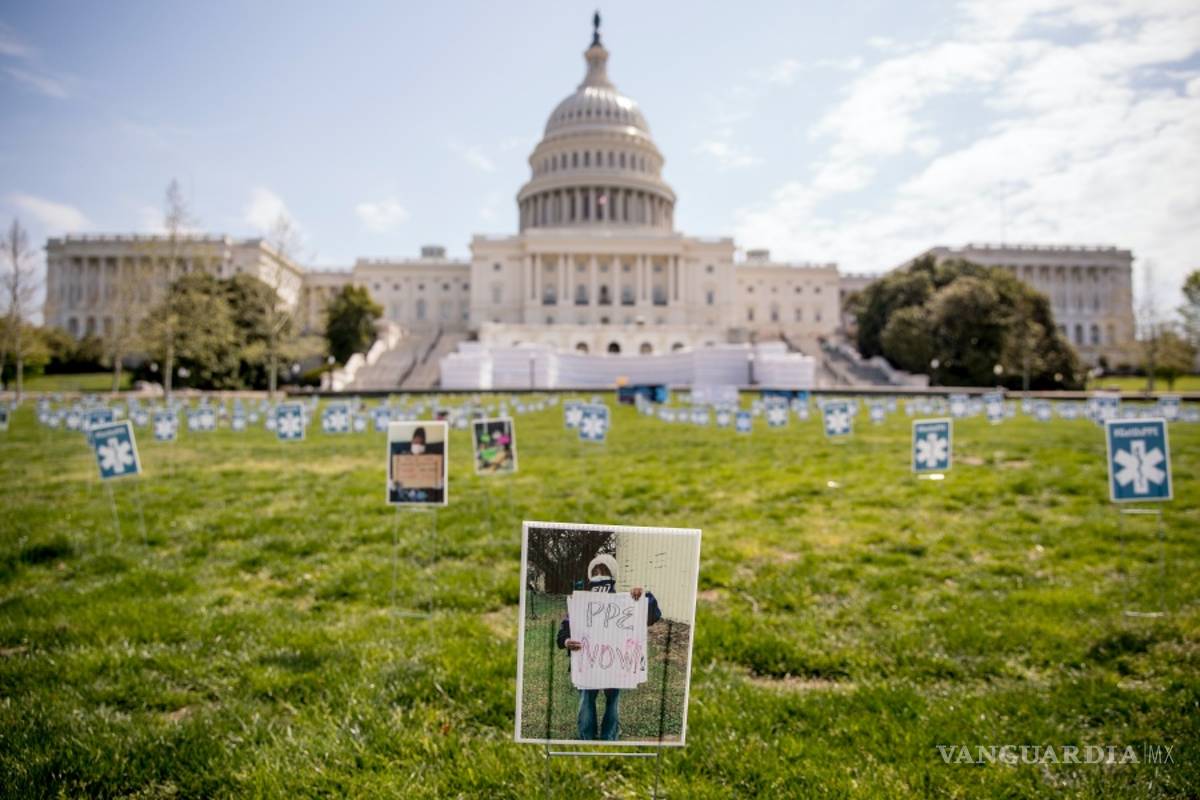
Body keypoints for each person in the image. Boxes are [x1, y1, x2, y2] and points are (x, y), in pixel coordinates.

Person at [556, 554, 662, 741]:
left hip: (616, 667)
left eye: (603, 571)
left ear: (612, 574)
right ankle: (586, 738)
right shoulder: (580, 603)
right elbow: (563, 633)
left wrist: (643, 596)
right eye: (595, 572)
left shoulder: (625, 601)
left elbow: (653, 615)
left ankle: (608, 737)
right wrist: (566, 642)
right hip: (587, 665)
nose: (599, 575)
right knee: (587, 700)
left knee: (613, 702)